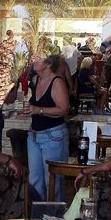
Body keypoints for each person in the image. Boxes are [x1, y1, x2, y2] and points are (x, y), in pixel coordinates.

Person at [21, 53, 71, 201]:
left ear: (48, 64)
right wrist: (30, 109)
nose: (33, 61)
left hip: (53, 135)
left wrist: (39, 110)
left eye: (38, 58)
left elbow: (63, 109)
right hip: (35, 134)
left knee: (53, 183)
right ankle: (38, 218)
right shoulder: (36, 80)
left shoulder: (57, 82)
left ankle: (55, 219)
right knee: (35, 181)